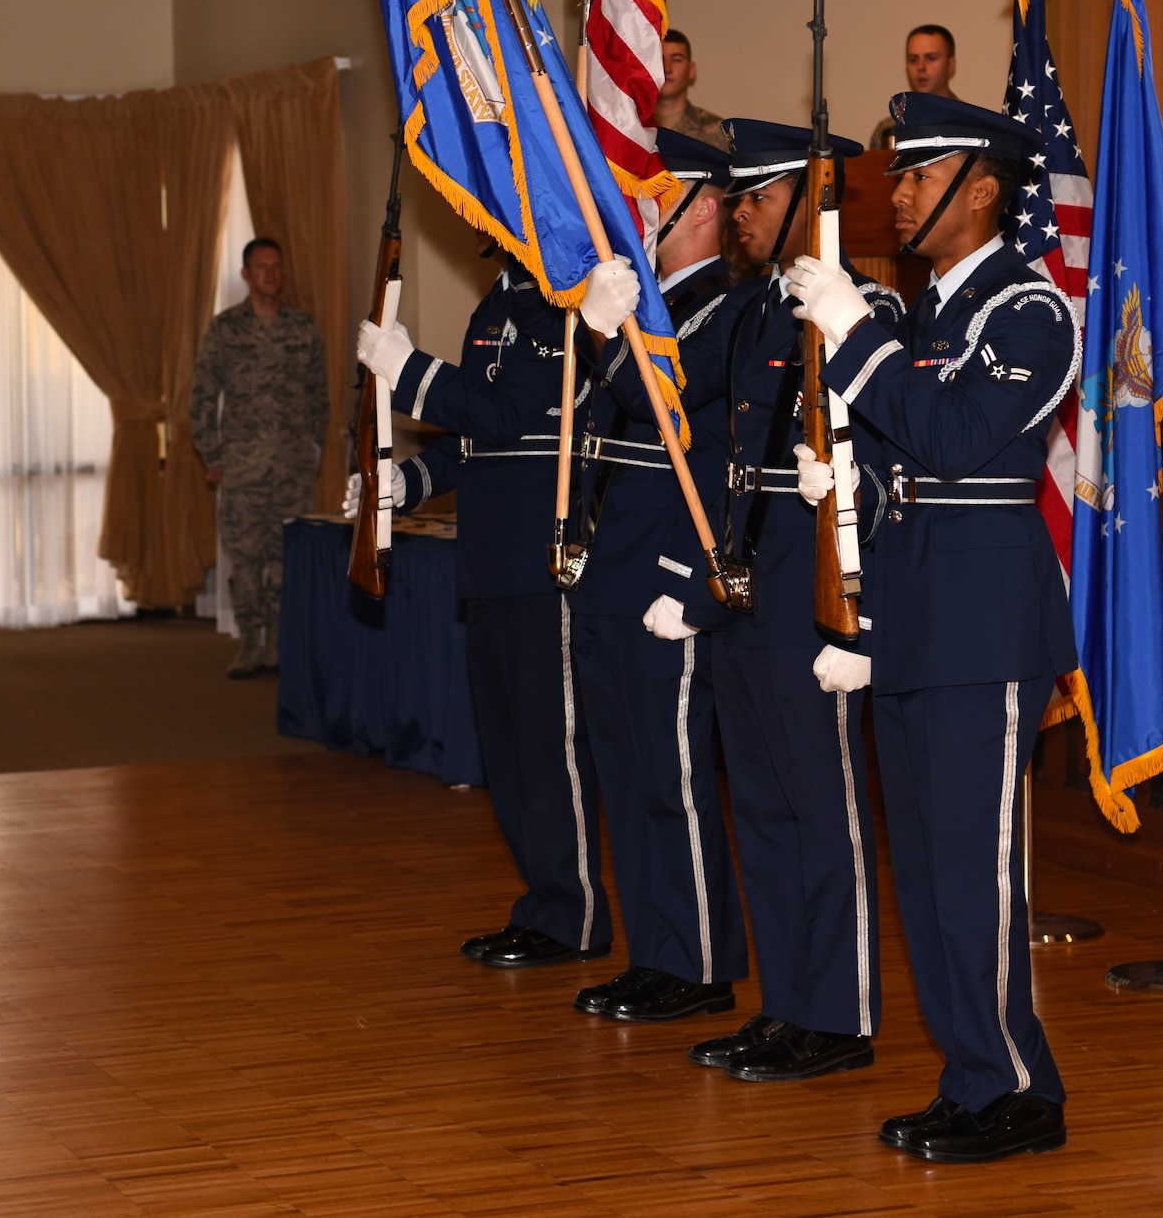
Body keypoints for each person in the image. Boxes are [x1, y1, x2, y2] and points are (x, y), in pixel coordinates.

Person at [788, 93, 1076, 1163]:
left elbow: (953, 437)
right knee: (925, 876)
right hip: (912, 621)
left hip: (982, 631)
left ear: (981, 187)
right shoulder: (924, 318)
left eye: (915, 174)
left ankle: (1016, 1089)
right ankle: (970, 1077)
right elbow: (897, 450)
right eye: (896, 174)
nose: (895, 192)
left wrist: (853, 339)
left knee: (972, 874)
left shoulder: (1027, 311)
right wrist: (844, 479)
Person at [659, 120, 903, 1082]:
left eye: (759, 198)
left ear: (810, 196)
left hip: (818, 605)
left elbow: (892, 463)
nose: (743, 217)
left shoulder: (863, 306)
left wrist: (864, 614)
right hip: (750, 598)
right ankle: (788, 1005)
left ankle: (837, 1018)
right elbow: (706, 439)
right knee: (760, 810)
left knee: (824, 813)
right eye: (741, 200)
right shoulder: (752, 310)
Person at [348, 240, 629, 971]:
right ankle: (544, 905)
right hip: (490, 560)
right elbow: (474, 439)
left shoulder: (561, 309)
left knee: (552, 749)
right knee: (508, 751)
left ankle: (577, 915)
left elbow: (508, 414)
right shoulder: (497, 304)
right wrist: (406, 483)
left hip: (546, 560)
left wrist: (411, 373)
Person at [564, 129, 749, 1024]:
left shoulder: (721, 310)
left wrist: (686, 578)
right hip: (613, 570)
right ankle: (656, 951)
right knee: (627, 770)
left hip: (668, 579)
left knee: (672, 779)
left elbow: (664, 410)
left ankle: (701, 960)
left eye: (655, 197)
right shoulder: (655, 313)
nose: (637, 214)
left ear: (704, 209)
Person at [190, 237, 327, 679]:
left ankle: (282, 644)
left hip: (291, 468)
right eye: (261, 266)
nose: (270, 273)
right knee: (247, 559)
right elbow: (203, 397)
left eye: (276, 266)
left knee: (287, 559)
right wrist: (212, 453)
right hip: (242, 467)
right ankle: (251, 644)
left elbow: (319, 396)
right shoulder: (225, 330)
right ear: (246, 275)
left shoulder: (303, 329)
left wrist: (313, 450)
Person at [870, 25, 959, 149]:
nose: (920, 67)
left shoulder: (969, 124)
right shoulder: (888, 128)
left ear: (950, 65)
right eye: (913, 59)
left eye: (931, 58)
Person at [654, 30, 731, 151]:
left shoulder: (720, 132)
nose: (667, 68)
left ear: (691, 70)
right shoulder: (628, 127)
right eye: (659, 59)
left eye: (677, 59)